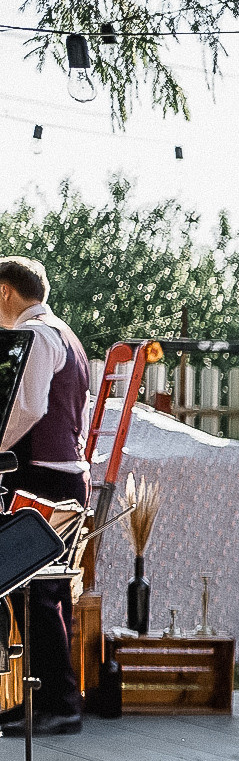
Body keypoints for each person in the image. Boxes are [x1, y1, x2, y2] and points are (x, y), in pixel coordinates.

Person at [0, 258, 89, 736]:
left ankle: (61, 705)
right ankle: (47, 701)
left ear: (5, 292)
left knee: (33, 590)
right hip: (67, 475)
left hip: (40, 478)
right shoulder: (67, 336)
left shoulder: (34, 335)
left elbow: (29, 407)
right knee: (47, 592)